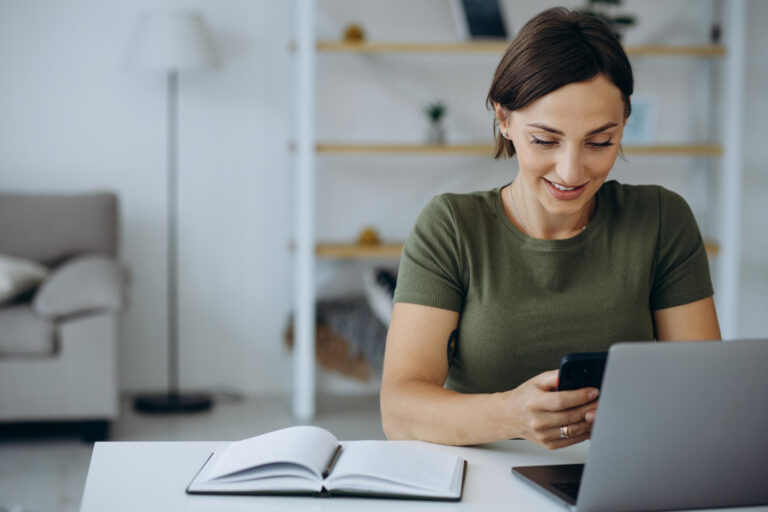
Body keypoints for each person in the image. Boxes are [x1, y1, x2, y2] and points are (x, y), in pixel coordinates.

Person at [380, 7, 721, 449]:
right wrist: (511, 415)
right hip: (482, 472)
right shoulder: (451, 228)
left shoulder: (661, 220)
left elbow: (703, 393)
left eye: (600, 142)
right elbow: (399, 411)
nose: (571, 170)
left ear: (624, 125)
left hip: (620, 467)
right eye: (545, 140)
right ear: (504, 119)